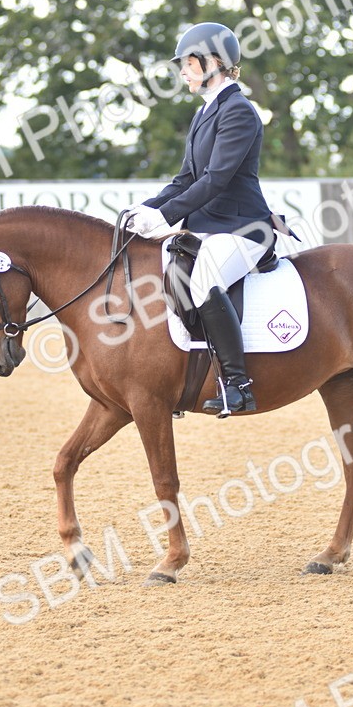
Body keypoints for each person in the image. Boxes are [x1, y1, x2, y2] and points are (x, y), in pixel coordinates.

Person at [125, 22, 280, 417]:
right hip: (211, 228)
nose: (182, 72)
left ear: (213, 62)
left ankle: (238, 386)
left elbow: (216, 179)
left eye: (188, 64)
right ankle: (180, 378)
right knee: (165, 271)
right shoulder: (204, 114)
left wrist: (165, 216)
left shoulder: (239, 111)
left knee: (204, 280)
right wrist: (146, 209)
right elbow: (186, 180)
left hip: (244, 229)